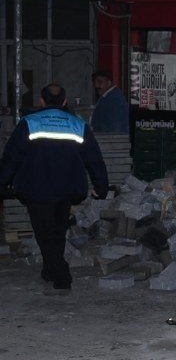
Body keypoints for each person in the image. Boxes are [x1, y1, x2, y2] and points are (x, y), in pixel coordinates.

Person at [0, 83, 108, 295]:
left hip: (37, 190)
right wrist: (100, 187)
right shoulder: (78, 125)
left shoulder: (29, 124)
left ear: (42, 101)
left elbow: (11, 158)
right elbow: (95, 160)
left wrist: (2, 183)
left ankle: (61, 277)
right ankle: (49, 271)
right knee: (57, 232)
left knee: (44, 234)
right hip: (67, 190)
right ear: (65, 102)